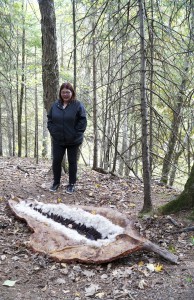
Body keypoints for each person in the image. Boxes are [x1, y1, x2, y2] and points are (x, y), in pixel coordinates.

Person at [47, 82, 87, 194]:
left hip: (73, 140)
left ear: (72, 93)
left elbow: (83, 121)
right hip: (58, 140)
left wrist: (75, 134)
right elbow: (50, 120)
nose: (65, 94)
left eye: (68, 92)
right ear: (60, 93)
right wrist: (54, 132)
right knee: (56, 161)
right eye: (63, 92)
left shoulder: (78, 105)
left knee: (72, 162)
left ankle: (72, 184)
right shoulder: (55, 105)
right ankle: (56, 182)